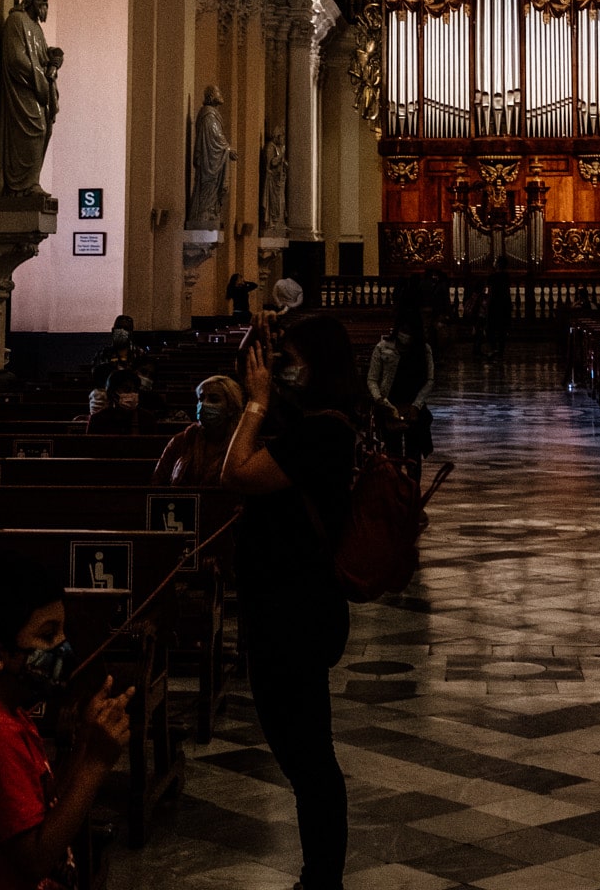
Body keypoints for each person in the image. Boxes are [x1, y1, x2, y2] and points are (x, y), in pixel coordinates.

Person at [222, 314, 362, 890]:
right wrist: (259, 348)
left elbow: (240, 471)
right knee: (300, 749)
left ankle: (321, 876)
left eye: (294, 359)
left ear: (321, 364)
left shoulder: (326, 432)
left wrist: (256, 403)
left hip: (296, 612)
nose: (286, 371)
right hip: (280, 606)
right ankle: (320, 872)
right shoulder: (308, 422)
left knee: (307, 755)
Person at [0, 551, 133, 888]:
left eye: (62, 631)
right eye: (47, 635)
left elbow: (40, 803)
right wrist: (97, 763)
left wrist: (85, 742)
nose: (63, 645)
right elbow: (34, 859)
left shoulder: (7, 714)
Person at [367, 317, 434, 480]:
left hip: (413, 407)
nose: (406, 335)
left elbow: (429, 379)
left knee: (413, 457)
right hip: (389, 406)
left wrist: (416, 405)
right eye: (404, 330)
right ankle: (395, 495)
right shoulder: (383, 348)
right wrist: (382, 402)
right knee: (393, 455)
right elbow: (372, 379)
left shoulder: (423, 350)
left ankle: (412, 495)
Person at [153, 375, 244, 486]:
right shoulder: (182, 440)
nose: (204, 404)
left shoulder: (242, 444)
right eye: (201, 399)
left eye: (214, 400)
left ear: (231, 408)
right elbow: (157, 483)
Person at [485, 258, 512, 360]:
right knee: (502, 330)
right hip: (504, 305)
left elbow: (490, 292)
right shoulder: (506, 277)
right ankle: (500, 352)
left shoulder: (492, 277)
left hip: (494, 305)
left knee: (490, 329)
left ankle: (493, 349)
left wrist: (488, 304)